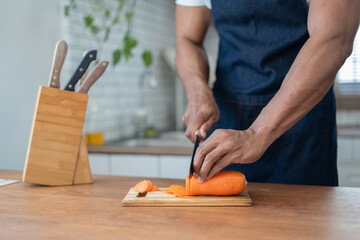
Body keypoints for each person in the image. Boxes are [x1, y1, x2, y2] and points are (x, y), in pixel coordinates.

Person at [175, 0, 360, 185]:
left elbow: (334, 37)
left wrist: (258, 133)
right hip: (228, 120)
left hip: (301, 122)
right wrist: (197, 92)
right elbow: (187, 39)